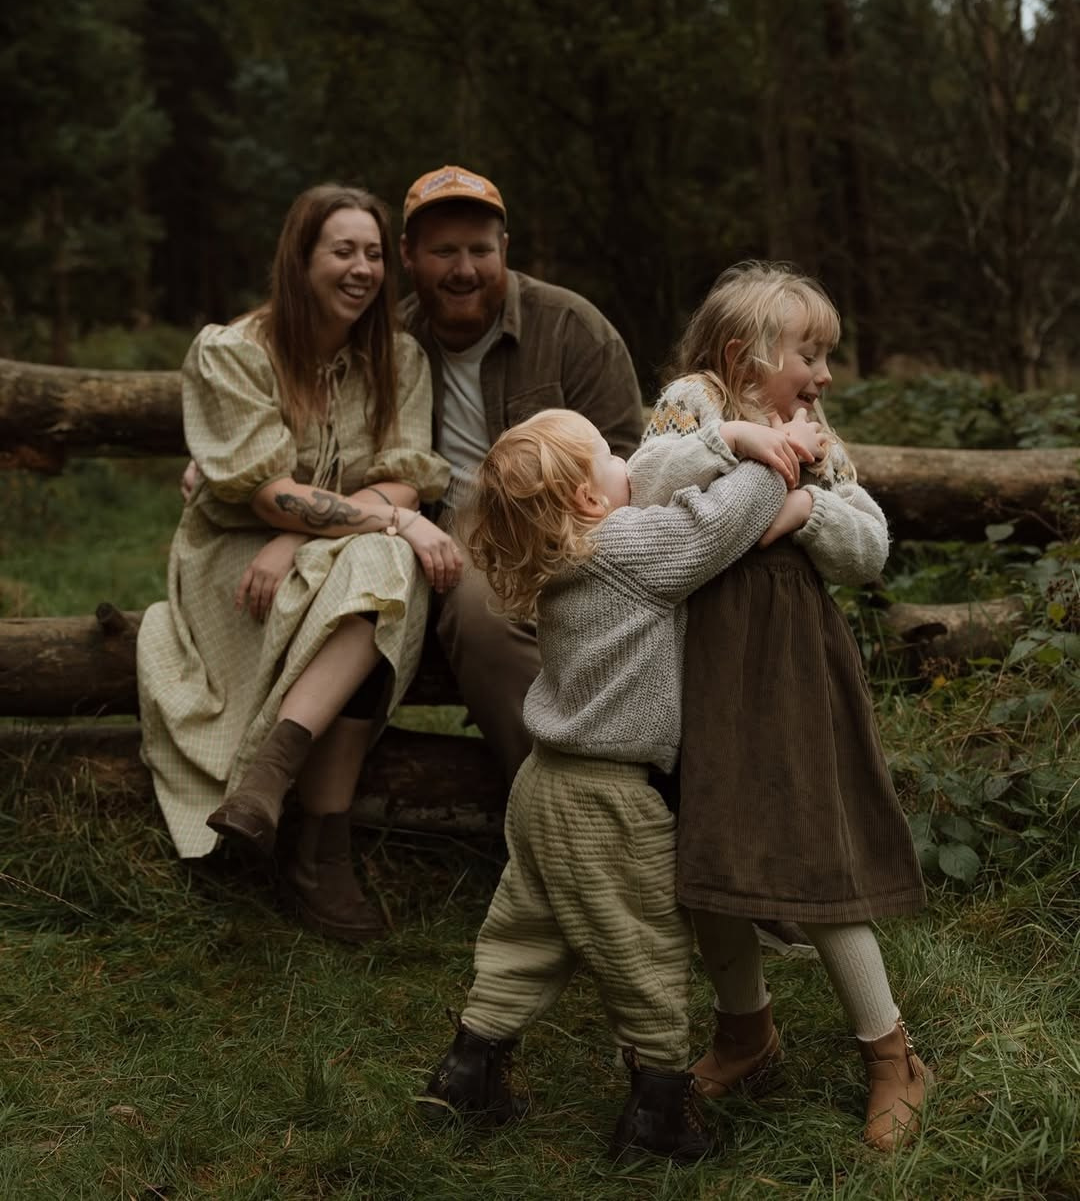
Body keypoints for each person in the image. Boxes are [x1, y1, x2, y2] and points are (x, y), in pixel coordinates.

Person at [420, 406, 827, 1163]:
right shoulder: (624, 545)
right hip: (609, 798)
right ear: (586, 499)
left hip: (544, 788)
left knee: (526, 931)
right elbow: (716, 526)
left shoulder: (559, 560)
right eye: (608, 455)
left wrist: (724, 435)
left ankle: (467, 1070)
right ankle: (658, 1117)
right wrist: (779, 455)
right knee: (644, 947)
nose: (626, 460)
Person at [630, 261, 932, 1151]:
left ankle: (892, 1056)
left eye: (828, 356)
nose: (827, 375)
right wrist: (736, 442)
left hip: (795, 662)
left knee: (815, 845)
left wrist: (805, 506)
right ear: (742, 355)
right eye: (811, 353)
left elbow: (870, 546)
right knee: (708, 846)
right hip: (702, 662)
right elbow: (643, 483)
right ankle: (745, 1032)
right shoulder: (693, 405)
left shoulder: (817, 433)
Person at [137, 184, 462, 945]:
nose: (362, 270)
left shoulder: (397, 359)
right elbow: (262, 494)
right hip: (234, 559)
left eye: (375, 254)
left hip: (328, 548)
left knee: (386, 567)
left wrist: (318, 527)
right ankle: (320, 848)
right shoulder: (233, 352)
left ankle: (272, 787)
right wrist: (378, 518)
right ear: (301, 257)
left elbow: (401, 475)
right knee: (391, 554)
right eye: (342, 251)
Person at [398, 165, 644, 785]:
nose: (464, 269)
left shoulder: (571, 328)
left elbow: (627, 458)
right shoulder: (392, 344)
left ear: (504, 249)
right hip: (423, 535)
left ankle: (583, 795)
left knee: (484, 610)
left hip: (564, 530)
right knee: (477, 609)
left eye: (480, 249)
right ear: (408, 256)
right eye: (444, 251)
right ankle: (545, 800)